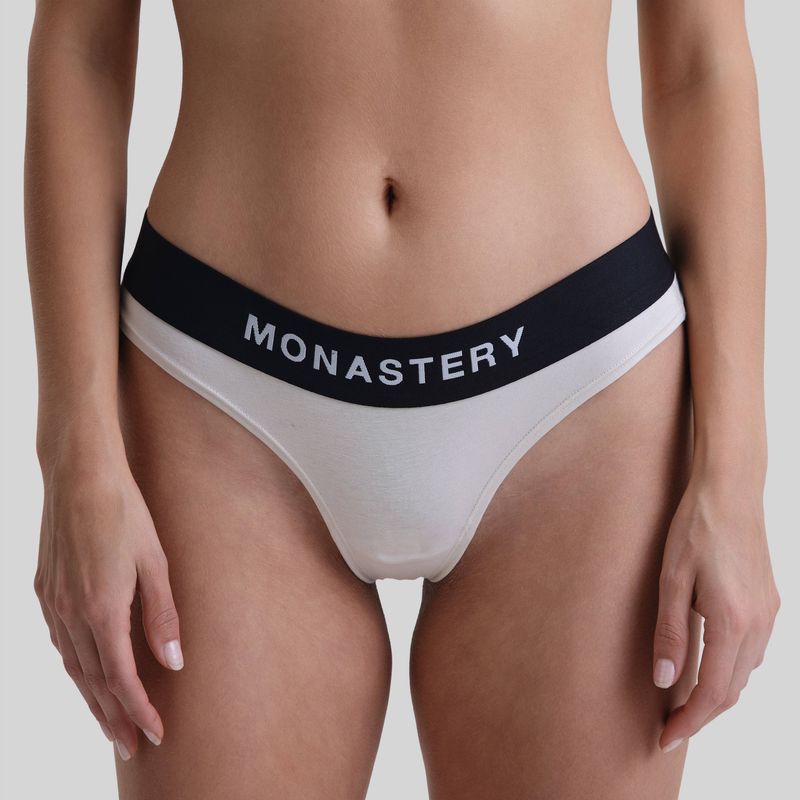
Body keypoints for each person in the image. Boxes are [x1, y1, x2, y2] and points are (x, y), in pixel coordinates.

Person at [24, 1, 780, 798]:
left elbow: (700, 66)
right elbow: (82, 50)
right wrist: (76, 461)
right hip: (223, 396)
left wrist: (734, 479)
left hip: (576, 399)